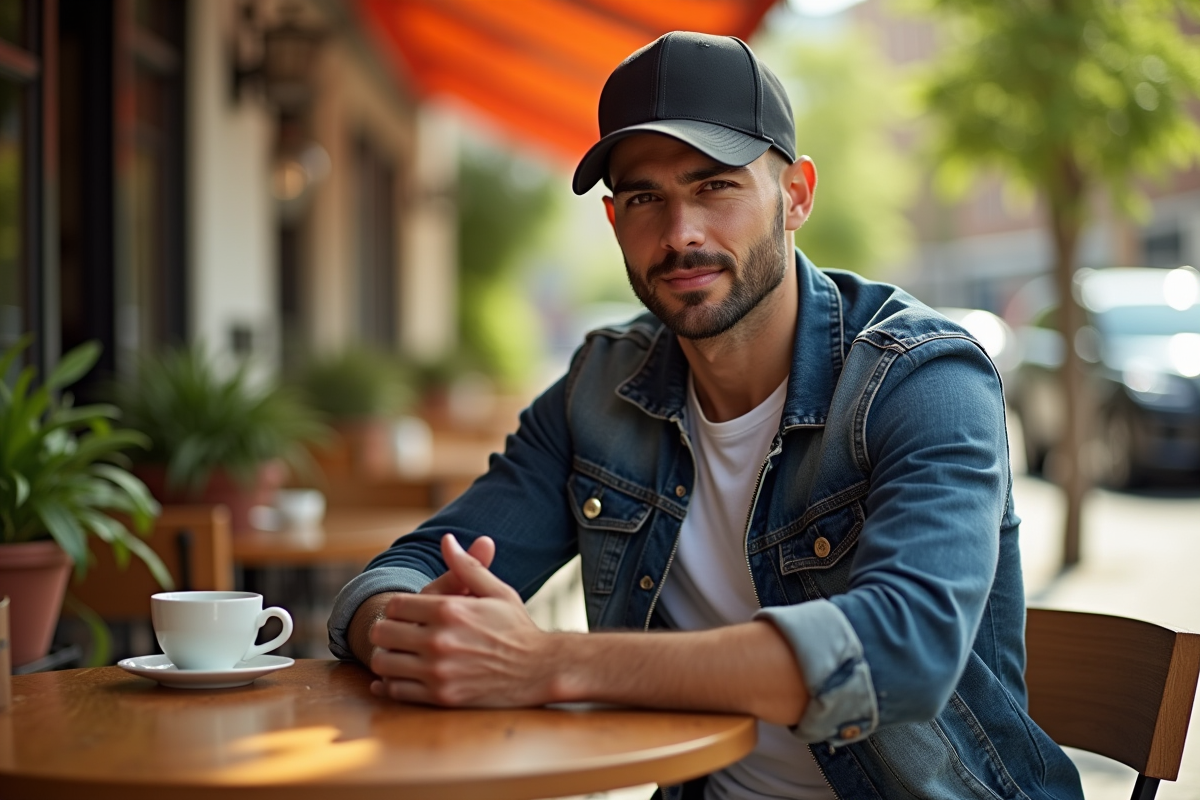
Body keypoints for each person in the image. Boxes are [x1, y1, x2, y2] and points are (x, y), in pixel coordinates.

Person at [328, 31, 1084, 800]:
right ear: (616, 219)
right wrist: (415, 631)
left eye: (715, 185)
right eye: (646, 197)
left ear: (796, 196)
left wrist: (547, 664)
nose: (680, 233)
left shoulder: (920, 377)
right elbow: (403, 573)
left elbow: (904, 651)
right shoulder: (600, 388)